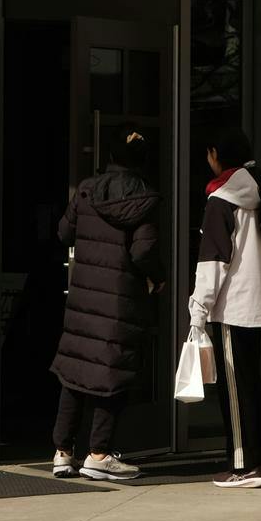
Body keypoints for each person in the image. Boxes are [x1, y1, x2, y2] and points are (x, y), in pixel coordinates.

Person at [51, 128, 162, 481]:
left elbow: (63, 233)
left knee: (75, 371)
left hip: (83, 298)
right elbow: (143, 250)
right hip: (121, 299)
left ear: (110, 158)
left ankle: (62, 452)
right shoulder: (143, 198)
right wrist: (157, 278)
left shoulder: (86, 189)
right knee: (113, 373)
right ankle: (99, 454)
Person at [188, 126, 261, 488]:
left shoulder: (222, 198)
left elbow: (213, 261)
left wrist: (198, 309)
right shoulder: (258, 192)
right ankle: (255, 461)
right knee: (249, 385)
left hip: (231, 307)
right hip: (256, 305)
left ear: (215, 154)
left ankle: (244, 466)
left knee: (234, 390)